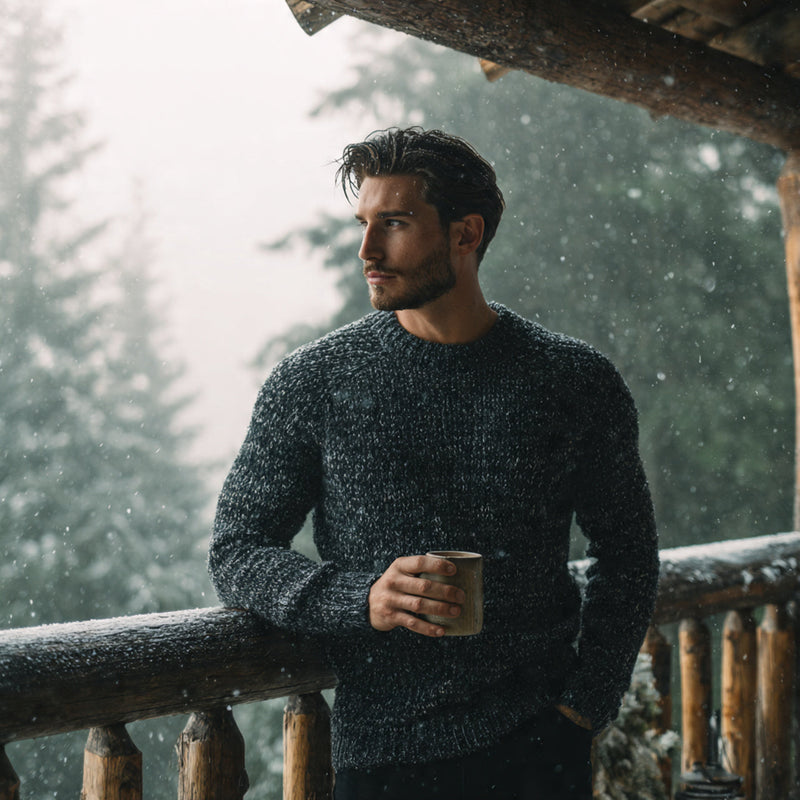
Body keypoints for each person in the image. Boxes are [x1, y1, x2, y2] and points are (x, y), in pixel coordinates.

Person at [208, 127, 660, 799]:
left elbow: (628, 554)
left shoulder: (573, 381)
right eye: (363, 224)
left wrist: (583, 708)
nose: (366, 250)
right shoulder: (313, 382)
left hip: (539, 751)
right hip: (381, 764)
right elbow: (236, 551)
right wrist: (361, 597)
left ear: (465, 233)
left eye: (393, 223)